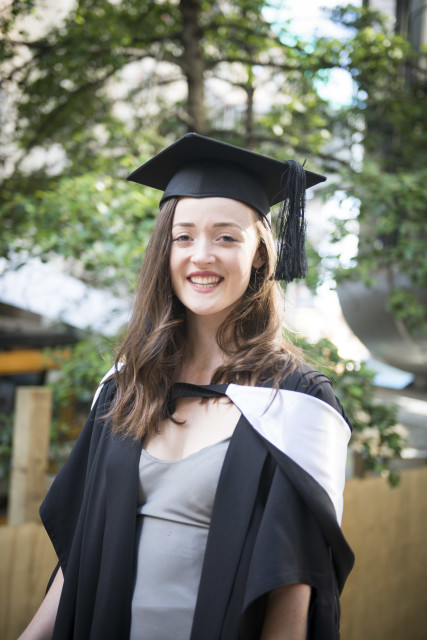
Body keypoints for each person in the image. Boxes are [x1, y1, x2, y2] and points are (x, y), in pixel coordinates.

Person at [19, 133, 354, 640]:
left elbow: (293, 588)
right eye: (184, 237)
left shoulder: (297, 404)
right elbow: (81, 555)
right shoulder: (126, 387)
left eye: (226, 237)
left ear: (260, 254)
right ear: (165, 249)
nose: (202, 256)